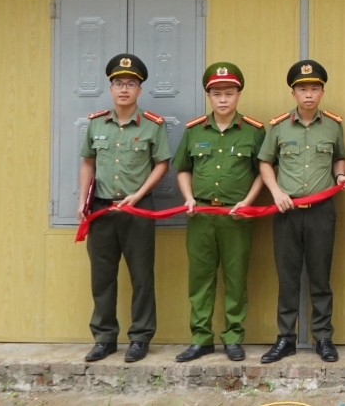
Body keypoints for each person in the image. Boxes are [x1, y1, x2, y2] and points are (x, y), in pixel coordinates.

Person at [77, 54, 171, 364]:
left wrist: (139, 194)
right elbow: (88, 161)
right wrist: (82, 201)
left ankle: (140, 337)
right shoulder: (96, 124)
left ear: (140, 90)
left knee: (141, 276)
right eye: (118, 83)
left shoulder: (152, 126)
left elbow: (162, 164)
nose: (124, 89)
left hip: (137, 211)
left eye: (131, 84)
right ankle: (104, 338)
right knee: (102, 277)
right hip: (101, 210)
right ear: (110, 87)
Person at [257, 59, 345, 364]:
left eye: (314, 88)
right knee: (287, 278)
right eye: (302, 89)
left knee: (320, 278)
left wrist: (339, 176)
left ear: (322, 92)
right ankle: (285, 338)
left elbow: (340, 158)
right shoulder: (279, 126)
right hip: (287, 213)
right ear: (293, 93)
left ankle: (323, 337)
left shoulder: (333, 126)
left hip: (321, 212)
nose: (308, 94)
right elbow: (264, 164)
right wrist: (276, 192)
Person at [172, 62, 267, 362]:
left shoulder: (254, 132)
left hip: (236, 218)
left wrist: (248, 202)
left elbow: (263, 172)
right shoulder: (194, 130)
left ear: (238, 94)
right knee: (200, 279)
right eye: (216, 93)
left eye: (229, 92)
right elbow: (184, 170)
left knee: (236, 278)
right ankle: (201, 338)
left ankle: (233, 336)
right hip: (200, 216)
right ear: (208, 96)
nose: (223, 99)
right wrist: (188, 198)